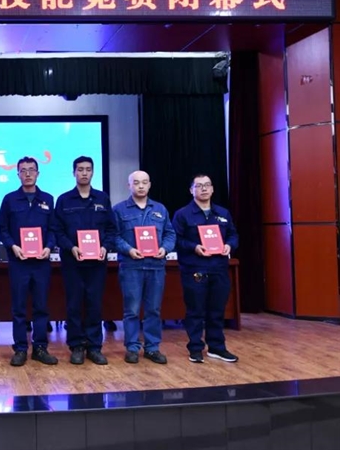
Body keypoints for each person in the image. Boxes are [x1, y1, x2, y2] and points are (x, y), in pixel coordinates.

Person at [54, 156, 116, 365]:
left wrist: (105, 247)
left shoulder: (102, 198)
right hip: (72, 262)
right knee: (73, 304)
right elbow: (57, 230)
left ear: (93, 172)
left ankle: (94, 346)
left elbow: (111, 228)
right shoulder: (64, 200)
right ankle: (76, 346)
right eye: (80, 169)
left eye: (88, 169)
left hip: (97, 263)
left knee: (94, 304)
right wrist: (71, 247)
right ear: (74, 172)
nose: (84, 173)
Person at [172, 174, 239, 364]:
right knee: (195, 311)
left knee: (217, 310)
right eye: (199, 186)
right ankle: (195, 348)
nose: (204, 189)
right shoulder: (183, 214)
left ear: (212, 189)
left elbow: (233, 235)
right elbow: (175, 239)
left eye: (207, 185)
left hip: (219, 268)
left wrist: (229, 245)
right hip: (195, 269)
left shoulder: (223, 213)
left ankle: (217, 347)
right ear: (191, 190)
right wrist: (194, 247)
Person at [0, 156, 58, 367]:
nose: (28, 174)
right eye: (23, 170)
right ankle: (20, 348)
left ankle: (40, 348)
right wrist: (12, 246)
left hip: (41, 262)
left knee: (41, 306)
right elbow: (2, 228)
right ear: (18, 174)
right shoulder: (9, 200)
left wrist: (48, 247)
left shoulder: (48, 199)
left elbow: (53, 229)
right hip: (19, 262)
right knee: (19, 308)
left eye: (31, 170)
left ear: (38, 173)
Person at [112, 170, 176, 365]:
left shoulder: (160, 209)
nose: (140, 186)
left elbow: (170, 233)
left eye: (144, 182)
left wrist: (165, 248)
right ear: (129, 185)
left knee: (153, 310)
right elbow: (114, 236)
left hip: (156, 267)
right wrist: (129, 249)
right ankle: (132, 347)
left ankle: (152, 348)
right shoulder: (119, 210)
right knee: (131, 310)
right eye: (136, 182)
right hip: (131, 266)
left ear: (149, 185)